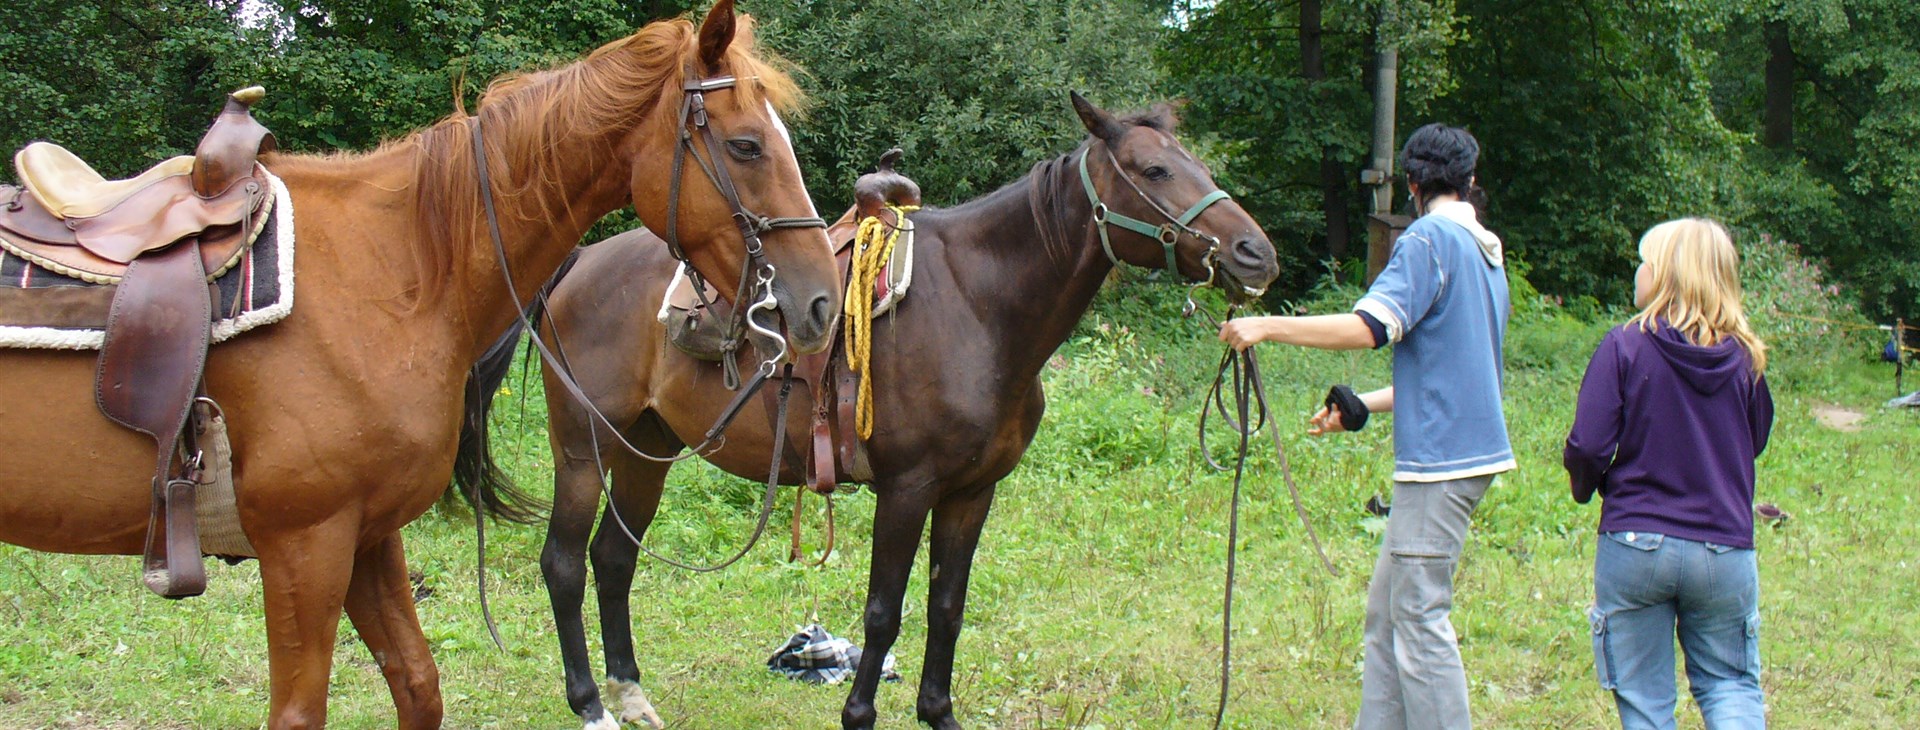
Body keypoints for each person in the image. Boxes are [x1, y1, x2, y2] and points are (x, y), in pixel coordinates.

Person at [1219, 122, 1511, 729]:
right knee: (1388, 613)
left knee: (1419, 617)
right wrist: (1362, 407)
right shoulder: (1484, 250)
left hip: (1441, 465)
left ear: (1411, 182)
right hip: (1465, 455)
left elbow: (1369, 328)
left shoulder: (1430, 238)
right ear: (1470, 179)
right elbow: (1455, 373)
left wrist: (1267, 326)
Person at [1564, 218, 1774, 730]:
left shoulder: (1625, 345)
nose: (1637, 271)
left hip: (1635, 542)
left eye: (1644, 260)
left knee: (1645, 701)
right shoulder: (1746, 359)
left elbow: (1588, 444)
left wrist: (1588, 488)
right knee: (1730, 686)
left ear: (1665, 275)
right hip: (1723, 548)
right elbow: (1756, 439)